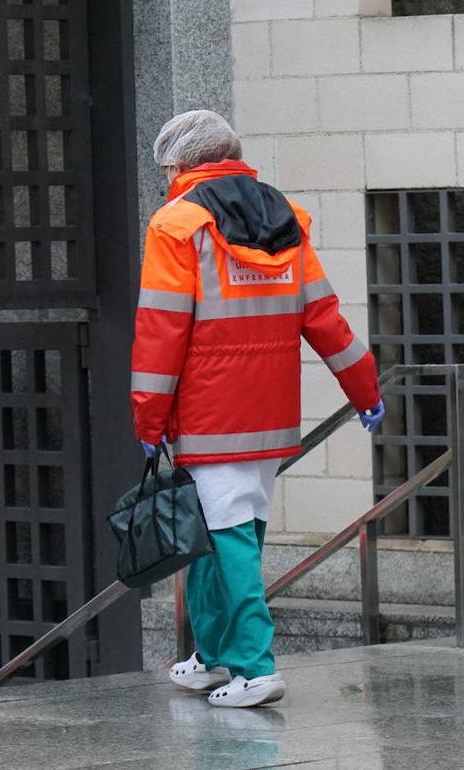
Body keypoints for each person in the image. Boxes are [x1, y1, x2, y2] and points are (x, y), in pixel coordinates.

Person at [130, 110, 385, 708]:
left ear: (180, 163)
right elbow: (324, 317)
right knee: (225, 534)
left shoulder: (176, 224)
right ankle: (211, 655)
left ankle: (254, 667)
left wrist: (148, 416)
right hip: (269, 411)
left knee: (229, 540)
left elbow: (161, 330)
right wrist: (365, 391)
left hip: (207, 411)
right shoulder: (285, 219)